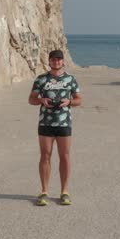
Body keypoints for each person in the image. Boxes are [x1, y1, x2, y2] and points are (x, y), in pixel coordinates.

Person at [28, 49, 83, 206]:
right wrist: (41, 100)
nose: (56, 62)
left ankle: (64, 192)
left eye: (59, 59)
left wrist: (69, 102)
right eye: (53, 59)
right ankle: (44, 191)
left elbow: (79, 99)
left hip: (64, 123)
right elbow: (31, 99)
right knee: (45, 155)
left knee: (65, 156)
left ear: (63, 61)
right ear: (49, 61)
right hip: (45, 122)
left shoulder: (71, 79)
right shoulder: (41, 79)